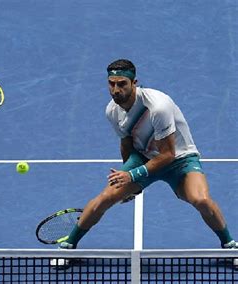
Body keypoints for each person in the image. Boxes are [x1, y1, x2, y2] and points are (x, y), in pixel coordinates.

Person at [57, 59, 237, 255]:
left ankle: (230, 245)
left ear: (134, 83)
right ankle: (68, 246)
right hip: (143, 157)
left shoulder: (158, 107)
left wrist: (132, 176)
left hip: (180, 160)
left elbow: (168, 154)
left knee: (201, 199)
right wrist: (129, 183)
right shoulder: (112, 111)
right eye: (111, 83)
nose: (116, 90)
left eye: (122, 84)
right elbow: (127, 144)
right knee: (105, 198)